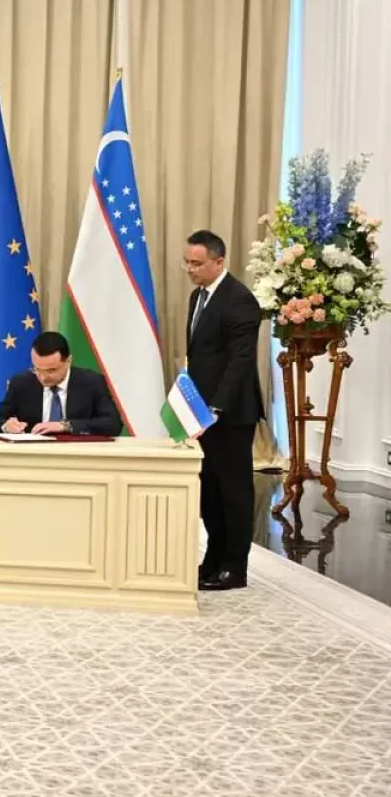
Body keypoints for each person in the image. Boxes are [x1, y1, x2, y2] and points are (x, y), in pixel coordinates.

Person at [183, 229, 263, 591]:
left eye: (197, 263)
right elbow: (201, 357)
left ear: (219, 261)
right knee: (209, 491)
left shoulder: (240, 300)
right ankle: (214, 558)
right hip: (202, 412)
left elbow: (240, 361)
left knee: (233, 491)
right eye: (187, 262)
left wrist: (216, 407)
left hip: (230, 413)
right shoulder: (197, 296)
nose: (190, 269)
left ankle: (234, 567)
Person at [0, 331, 123, 437]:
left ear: (68, 361)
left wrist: (66, 426)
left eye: (51, 370)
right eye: (37, 369)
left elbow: (113, 424)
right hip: (34, 456)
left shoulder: (91, 381)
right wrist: (7, 426)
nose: (43, 377)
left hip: (77, 456)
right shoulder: (21, 383)